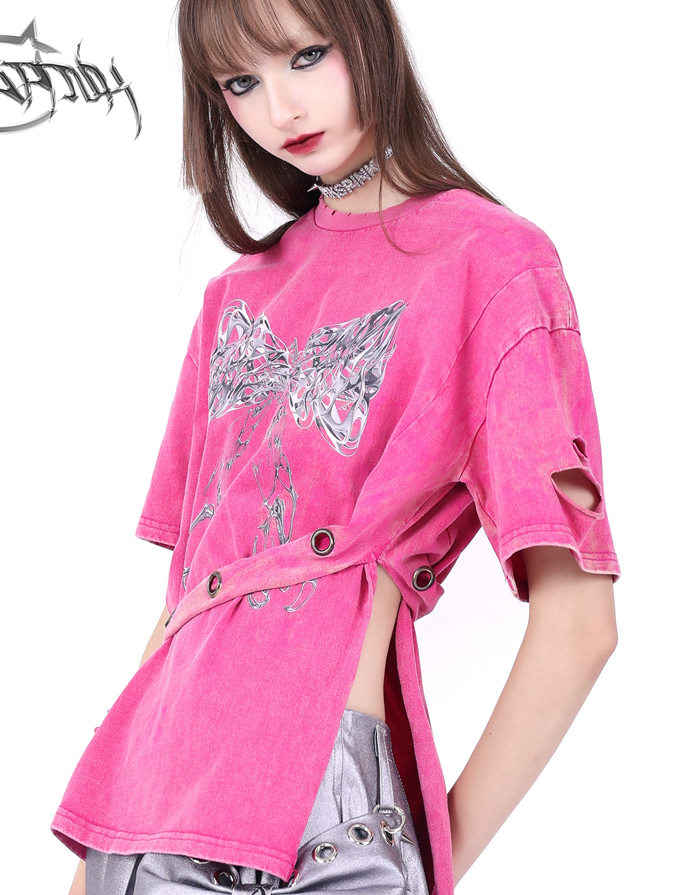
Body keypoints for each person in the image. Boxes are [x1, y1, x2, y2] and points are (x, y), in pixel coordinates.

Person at [54, 0, 620, 893]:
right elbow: (183, 602)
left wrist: (433, 861)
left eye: (306, 55)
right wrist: (95, 853)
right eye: (240, 81)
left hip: (324, 818)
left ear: (368, 33)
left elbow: (580, 624)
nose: (281, 108)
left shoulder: (492, 263)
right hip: (146, 805)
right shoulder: (234, 297)